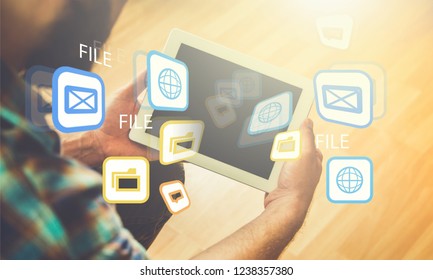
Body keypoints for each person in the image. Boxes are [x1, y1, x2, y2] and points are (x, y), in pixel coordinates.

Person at [0, 0, 322, 259]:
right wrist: (287, 206)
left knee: (155, 179)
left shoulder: (13, 98)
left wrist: (93, 143)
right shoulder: (20, 201)